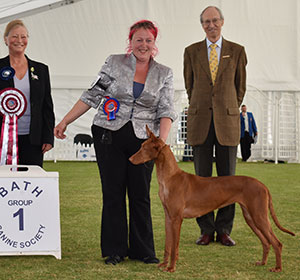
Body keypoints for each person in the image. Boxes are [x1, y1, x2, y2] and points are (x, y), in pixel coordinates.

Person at [54, 20, 177, 265]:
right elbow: (92, 95)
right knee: (113, 192)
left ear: (155, 43)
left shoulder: (165, 72)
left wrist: (160, 142)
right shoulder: (113, 62)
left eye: (148, 40)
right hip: (108, 133)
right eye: (138, 40)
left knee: (141, 194)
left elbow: (166, 109)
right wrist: (65, 121)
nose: (143, 45)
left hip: (145, 141)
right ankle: (115, 250)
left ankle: (144, 251)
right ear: (130, 42)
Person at [183, 6, 247, 246]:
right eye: (206, 22)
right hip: (200, 122)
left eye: (215, 21)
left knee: (228, 180)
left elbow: (240, 87)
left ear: (222, 22)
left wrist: (227, 109)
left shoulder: (237, 51)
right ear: (202, 25)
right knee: (201, 179)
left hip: (227, 123)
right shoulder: (191, 51)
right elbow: (190, 87)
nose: (211, 25)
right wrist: (203, 107)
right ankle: (206, 230)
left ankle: (224, 230)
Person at [0, 19, 55, 167]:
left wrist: (48, 137)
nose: (19, 40)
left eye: (23, 36)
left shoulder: (41, 70)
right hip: (3, 140)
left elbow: (47, 106)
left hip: (34, 139)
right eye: (14, 36)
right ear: (5, 39)